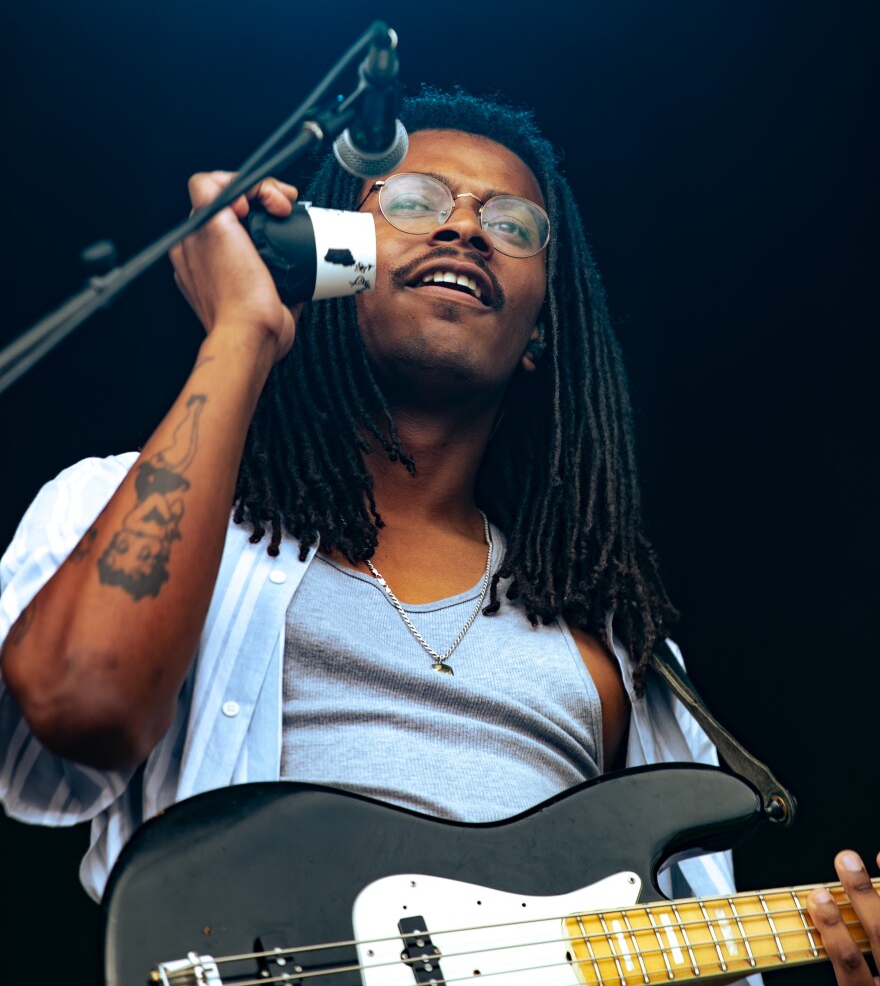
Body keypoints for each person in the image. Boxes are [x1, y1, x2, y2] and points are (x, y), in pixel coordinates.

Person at [1, 90, 876, 983]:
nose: (465, 228)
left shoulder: (625, 657)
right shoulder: (139, 503)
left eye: (513, 224)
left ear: (540, 330)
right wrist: (245, 330)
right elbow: (84, 704)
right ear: (335, 259)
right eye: (414, 200)